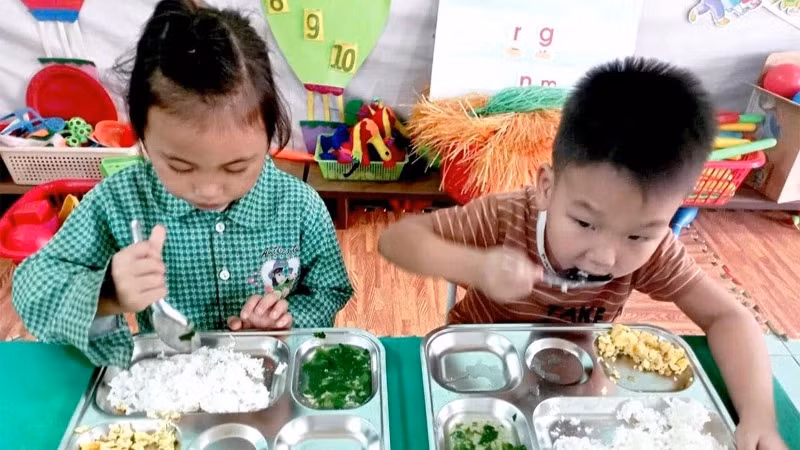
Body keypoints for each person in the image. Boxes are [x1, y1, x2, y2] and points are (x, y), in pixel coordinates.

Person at [379, 58, 786, 449]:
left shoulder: (658, 249)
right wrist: (477, 266)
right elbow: (397, 240)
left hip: (574, 377)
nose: (605, 257)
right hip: (477, 366)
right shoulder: (506, 218)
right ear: (547, 187)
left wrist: (759, 418)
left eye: (638, 236)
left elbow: (728, 316)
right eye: (585, 224)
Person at [12, 0, 353, 368]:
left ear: (271, 136)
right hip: (167, 383)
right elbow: (33, 286)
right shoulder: (120, 200)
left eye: (236, 167)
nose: (208, 190)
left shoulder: (298, 206)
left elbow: (329, 290)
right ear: (141, 135)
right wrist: (106, 293)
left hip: (268, 377)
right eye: (180, 166)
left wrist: (283, 322)